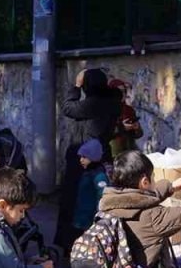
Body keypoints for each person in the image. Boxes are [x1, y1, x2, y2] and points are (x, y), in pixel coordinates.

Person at [56, 68, 122, 252]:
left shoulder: (92, 104)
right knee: (98, 200)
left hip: (85, 158)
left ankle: (74, 243)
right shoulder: (113, 102)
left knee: (78, 200)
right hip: (102, 156)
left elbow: (67, 107)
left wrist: (76, 86)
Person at [68, 138, 109, 242]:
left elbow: (102, 197)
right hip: (81, 218)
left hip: (90, 221)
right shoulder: (87, 172)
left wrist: (98, 218)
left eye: (84, 157)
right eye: (80, 157)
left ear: (93, 157)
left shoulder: (99, 176)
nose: (81, 160)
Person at [107, 78, 144, 155]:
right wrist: (122, 127)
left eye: (124, 91)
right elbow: (103, 132)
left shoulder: (128, 109)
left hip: (130, 150)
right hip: (112, 152)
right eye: (119, 91)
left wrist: (136, 127)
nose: (122, 94)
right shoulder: (105, 109)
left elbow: (139, 134)